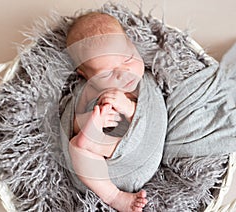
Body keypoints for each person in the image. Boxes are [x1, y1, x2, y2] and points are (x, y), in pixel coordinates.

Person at [63, 12, 165, 212]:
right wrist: (88, 121)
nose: (123, 73)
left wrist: (129, 108)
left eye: (128, 58)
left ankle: (100, 146)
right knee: (77, 147)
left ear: (133, 44)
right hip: (101, 175)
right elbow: (72, 124)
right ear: (85, 75)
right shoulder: (88, 91)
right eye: (107, 73)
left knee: (88, 143)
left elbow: (152, 116)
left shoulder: (142, 84)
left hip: (142, 152)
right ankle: (114, 196)